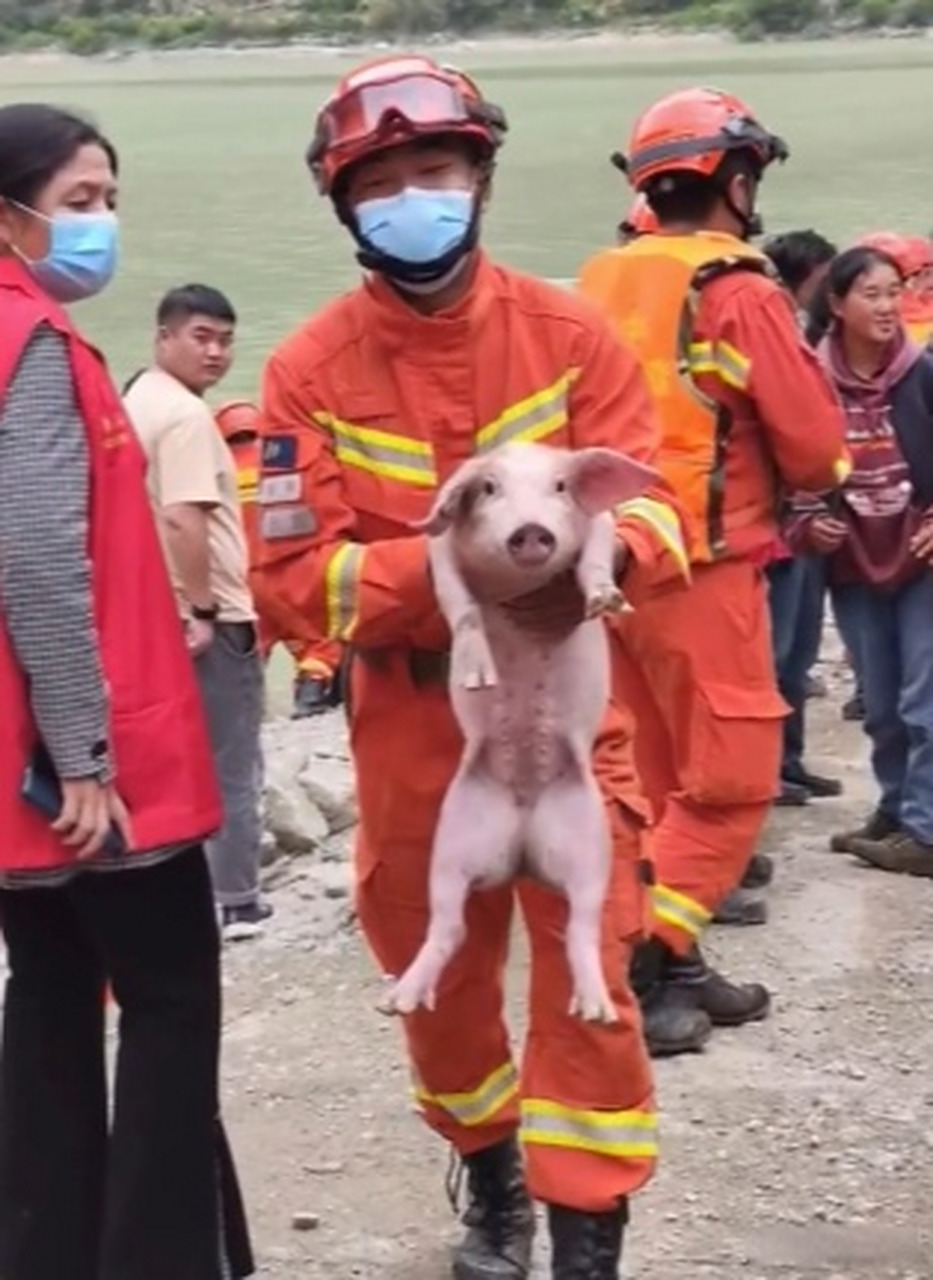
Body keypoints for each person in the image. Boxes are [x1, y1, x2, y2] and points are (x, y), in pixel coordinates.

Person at [251, 54, 691, 1280]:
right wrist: (475, 580)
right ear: (346, 208)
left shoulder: (574, 336)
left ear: (481, 175)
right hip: (410, 734)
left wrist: (597, 568)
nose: (412, 196)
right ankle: (491, 1171)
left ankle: (586, 1237)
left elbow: (658, 514)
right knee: (433, 988)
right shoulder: (306, 371)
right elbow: (297, 579)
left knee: (591, 976)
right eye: (381, 181)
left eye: (434, 168)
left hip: (567, 721)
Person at [0, 103, 253, 1280]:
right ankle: (160, 1257)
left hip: (16, 759)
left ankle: (48, 1245)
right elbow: (43, 556)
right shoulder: (34, 344)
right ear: (11, 212)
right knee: (166, 1000)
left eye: (110, 200)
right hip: (93, 765)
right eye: (82, 200)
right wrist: (86, 750)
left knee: (49, 991)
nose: (102, 223)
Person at [577, 87, 849, 1056]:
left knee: (647, 783)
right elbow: (814, 444)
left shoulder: (601, 276)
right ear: (735, 180)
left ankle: (672, 965)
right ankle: (655, 952)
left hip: (612, 566)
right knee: (733, 778)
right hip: (707, 559)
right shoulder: (737, 288)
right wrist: (827, 476)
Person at [123, 285, 270, 939]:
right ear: (164, 337)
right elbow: (185, 517)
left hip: (151, 614)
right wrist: (205, 609)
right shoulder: (183, 416)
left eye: (225, 340)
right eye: (201, 336)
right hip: (206, 617)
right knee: (232, 760)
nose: (215, 352)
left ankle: (168, 890)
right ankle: (236, 897)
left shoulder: (134, 401)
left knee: (170, 758)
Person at [787, 245, 933, 876]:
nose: (887, 306)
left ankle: (926, 830)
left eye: (894, 292)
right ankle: (897, 810)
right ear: (838, 304)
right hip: (851, 562)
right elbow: (790, 467)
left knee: (924, 698)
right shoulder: (808, 378)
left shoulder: (922, 371)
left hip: (921, 555)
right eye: (871, 294)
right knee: (878, 703)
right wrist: (804, 522)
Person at [761, 229, 842, 805]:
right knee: (772, 657)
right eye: (824, 281)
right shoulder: (776, 336)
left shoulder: (808, 340)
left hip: (803, 525)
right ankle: (767, 770)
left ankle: (788, 761)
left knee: (798, 655)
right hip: (774, 527)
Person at [215, 400, 345, 717]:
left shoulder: (215, 467)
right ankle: (310, 698)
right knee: (318, 641)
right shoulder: (281, 460)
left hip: (238, 582)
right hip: (282, 571)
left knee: (252, 650)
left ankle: (248, 713)